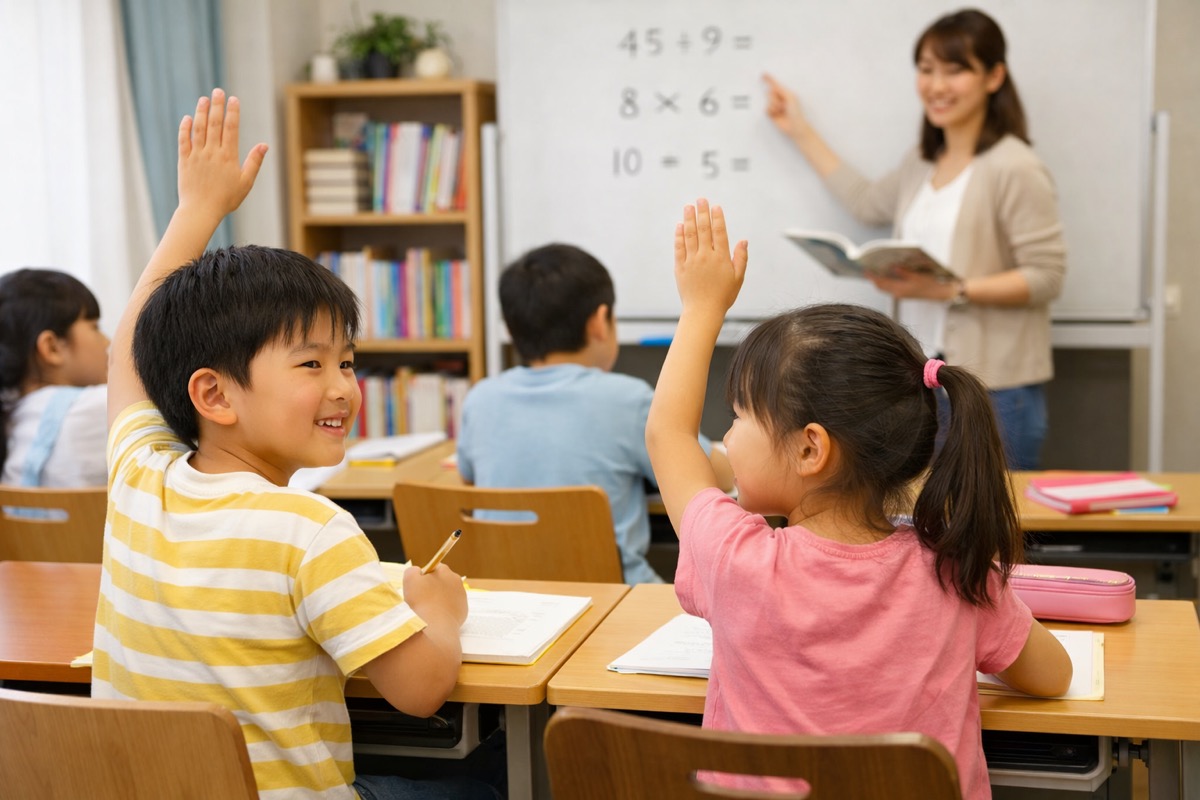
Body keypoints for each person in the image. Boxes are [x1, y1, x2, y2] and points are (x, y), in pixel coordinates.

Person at [93, 89, 498, 800]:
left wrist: (196, 212)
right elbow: (422, 690)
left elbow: (128, 355)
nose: (342, 386)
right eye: (311, 365)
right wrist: (440, 607)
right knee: (491, 781)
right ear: (213, 395)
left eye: (347, 362)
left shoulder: (138, 476)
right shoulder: (310, 531)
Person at [645, 199, 1072, 800]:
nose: (730, 437)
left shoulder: (736, 558)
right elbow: (1054, 676)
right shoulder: (953, 568)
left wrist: (702, 307)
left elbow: (668, 434)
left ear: (809, 450)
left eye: (740, 418)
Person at [763, 7, 1066, 469]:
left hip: (995, 391)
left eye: (955, 69)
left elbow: (1047, 276)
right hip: (926, 381)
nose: (936, 85)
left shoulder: (1014, 165)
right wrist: (799, 131)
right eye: (926, 69)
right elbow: (866, 203)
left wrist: (953, 290)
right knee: (926, 535)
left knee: (987, 537)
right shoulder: (922, 163)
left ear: (994, 76)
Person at [456, 243, 732, 584]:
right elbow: (715, 479)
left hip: (512, 599)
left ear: (511, 331)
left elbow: (468, 478)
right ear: (601, 321)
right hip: (615, 604)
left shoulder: (480, 400)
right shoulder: (627, 400)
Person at [0, 268, 109, 487]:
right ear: (52, 348)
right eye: (94, 327)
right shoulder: (99, 409)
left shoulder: (12, 418)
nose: (107, 342)